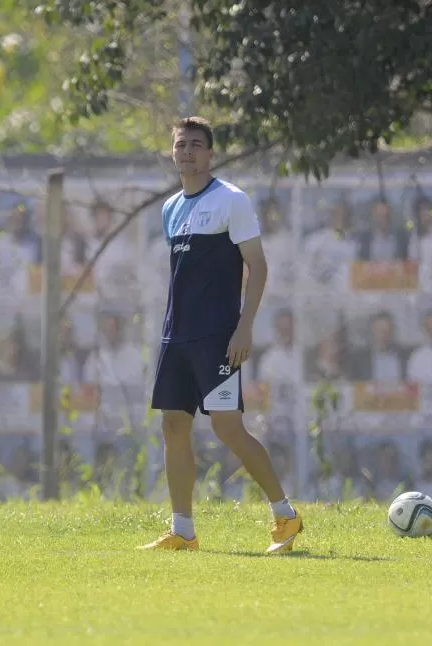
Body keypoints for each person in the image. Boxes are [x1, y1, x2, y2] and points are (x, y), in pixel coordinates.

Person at [140, 116, 303, 554]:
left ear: (211, 153)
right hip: (177, 337)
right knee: (174, 426)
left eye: (196, 144)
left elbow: (259, 266)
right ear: (172, 153)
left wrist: (243, 328)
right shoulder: (170, 209)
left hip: (217, 337)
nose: (188, 152)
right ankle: (183, 531)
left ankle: (285, 516)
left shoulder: (232, 201)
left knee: (229, 430)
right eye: (181, 145)